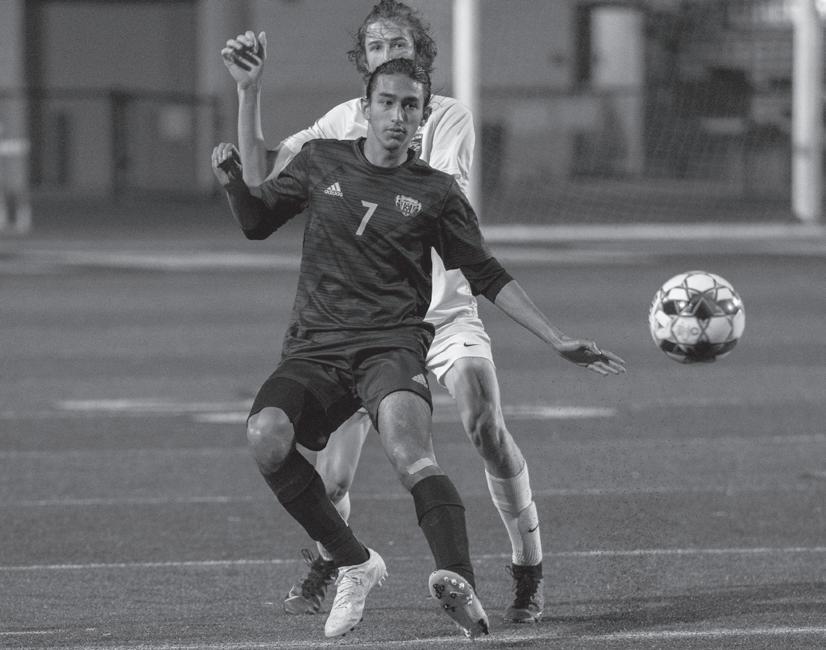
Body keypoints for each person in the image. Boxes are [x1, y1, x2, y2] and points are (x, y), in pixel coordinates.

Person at [212, 58, 625, 640]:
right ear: (366, 107)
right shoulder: (320, 160)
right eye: (387, 102)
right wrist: (234, 179)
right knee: (266, 435)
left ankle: (459, 583)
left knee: (412, 456)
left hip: (391, 347)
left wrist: (555, 337)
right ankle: (354, 562)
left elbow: (486, 272)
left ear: (424, 115)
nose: (398, 115)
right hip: (316, 348)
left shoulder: (436, 192)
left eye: (411, 105)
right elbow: (257, 222)